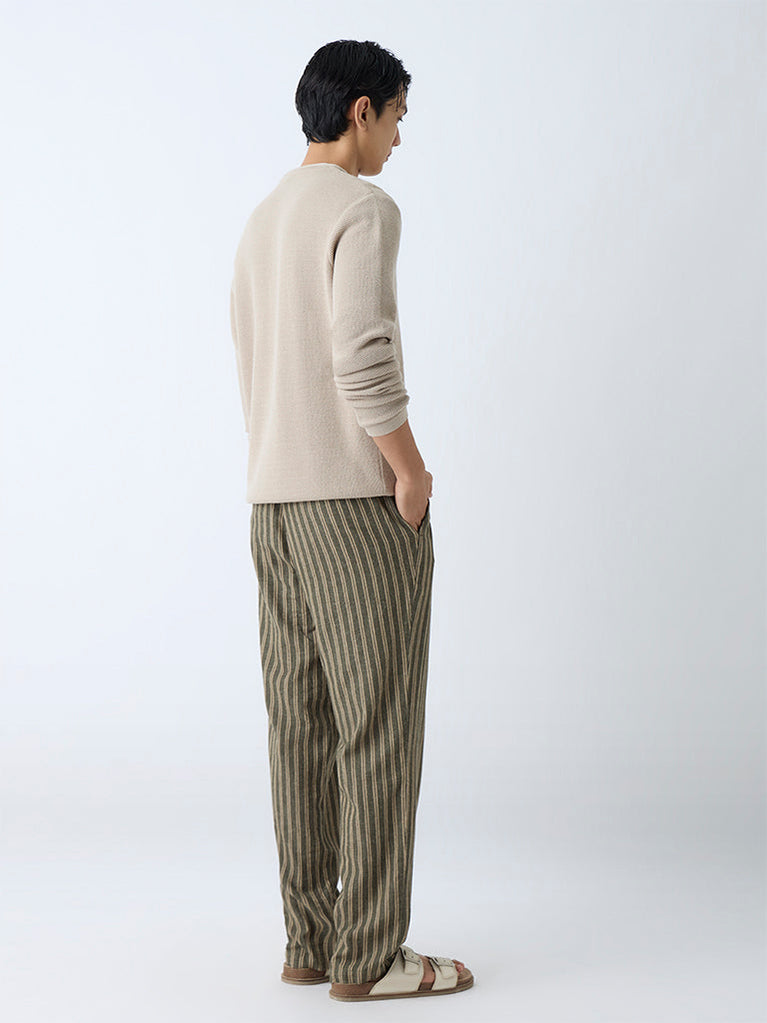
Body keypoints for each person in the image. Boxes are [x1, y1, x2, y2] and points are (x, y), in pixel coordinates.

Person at [228, 38, 474, 1002]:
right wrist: (408, 472)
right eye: (398, 117)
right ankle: (369, 956)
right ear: (360, 110)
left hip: (273, 507)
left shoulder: (261, 220)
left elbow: (258, 361)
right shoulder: (362, 209)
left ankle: (312, 936)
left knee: (298, 725)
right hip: (352, 505)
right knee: (377, 727)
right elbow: (361, 355)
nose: (400, 139)